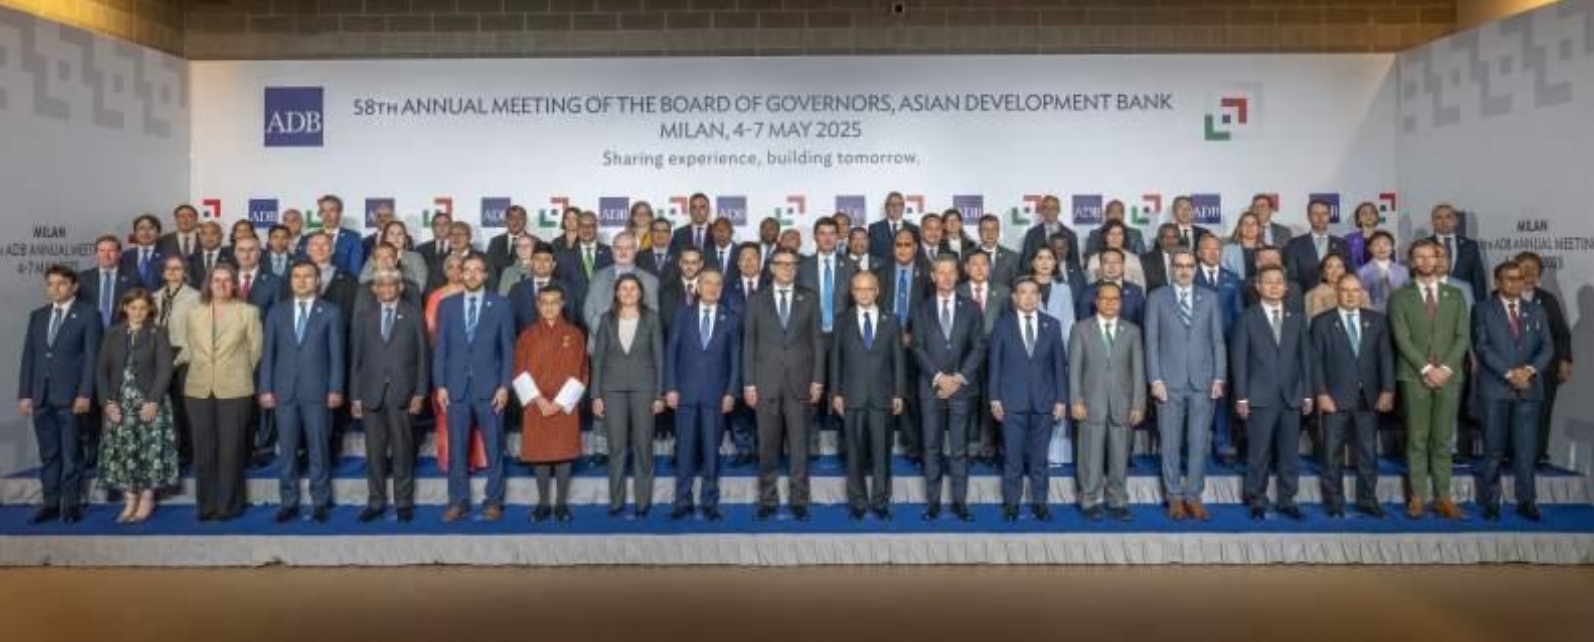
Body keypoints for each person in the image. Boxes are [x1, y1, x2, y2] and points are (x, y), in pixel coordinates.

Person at [1389, 239, 1471, 520]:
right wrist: (1426, 369)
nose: (1426, 261)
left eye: (1431, 256)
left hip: (1449, 377)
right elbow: (1402, 338)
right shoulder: (1400, 297)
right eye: (1419, 257)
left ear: (1439, 260)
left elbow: (1462, 336)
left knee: (1443, 439)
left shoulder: (1455, 295)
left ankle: (1443, 498)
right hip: (1415, 376)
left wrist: (1445, 368)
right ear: (1412, 262)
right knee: (1417, 439)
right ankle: (1417, 497)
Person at [258, 261, 344, 524]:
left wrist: (335, 388)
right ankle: (289, 502)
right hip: (283, 392)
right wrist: (265, 387)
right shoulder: (277, 312)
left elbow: (337, 355)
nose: (302, 280)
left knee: (319, 449)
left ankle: (320, 501)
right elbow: (268, 354)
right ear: (291, 281)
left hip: (317, 391)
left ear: (317, 281)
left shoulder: (330, 312)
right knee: (287, 452)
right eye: (297, 276)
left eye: (308, 276)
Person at [742, 248, 825, 521]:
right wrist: (749, 384)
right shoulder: (756, 300)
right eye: (782, 264)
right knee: (767, 446)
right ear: (771, 267)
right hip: (765, 383)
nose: (788, 268)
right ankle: (768, 500)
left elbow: (817, 341)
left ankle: (799, 500)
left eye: (793, 264)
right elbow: (749, 344)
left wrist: (817, 379)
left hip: (801, 383)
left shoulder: (809, 298)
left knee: (799, 447)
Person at [1145, 249, 1226, 521]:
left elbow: (1217, 340)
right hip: (1168, 383)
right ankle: (1174, 496)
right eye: (1179, 265)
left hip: (1203, 381)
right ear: (1172, 268)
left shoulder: (1210, 298)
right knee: (1169, 443)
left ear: (1195, 269)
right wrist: (1155, 379)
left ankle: (1193, 495)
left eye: (1189, 266)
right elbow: (1151, 342)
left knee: (1199, 442)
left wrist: (1219, 377)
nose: (1184, 270)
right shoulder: (1157, 298)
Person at [434, 255, 515, 522]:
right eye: (466, 270)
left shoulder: (501, 305)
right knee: (457, 449)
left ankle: (494, 500)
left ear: (486, 275)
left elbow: (508, 350)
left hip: (490, 389)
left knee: (494, 447)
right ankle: (457, 501)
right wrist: (441, 385)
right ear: (460, 273)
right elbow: (441, 349)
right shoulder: (447, 305)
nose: (471, 274)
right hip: (456, 388)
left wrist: (504, 386)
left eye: (477, 270)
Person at [17, 265, 101, 524]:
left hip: (71, 397)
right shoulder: (38, 316)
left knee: (71, 453)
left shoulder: (88, 314)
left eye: (61, 283)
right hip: (41, 396)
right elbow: (29, 357)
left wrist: (85, 393)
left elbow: (91, 358)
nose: (55, 288)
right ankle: (51, 502)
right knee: (49, 453)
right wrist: (25, 393)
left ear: (74, 286)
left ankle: (70, 504)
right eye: (51, 283)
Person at [1472, 260, 1553, 522]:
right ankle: (1491, 501)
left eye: (1519, 278)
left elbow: (1547, 347)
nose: (1516, 283)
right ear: (1497, 282)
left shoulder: (1536, 310)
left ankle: (1526, 501)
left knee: (1526, 450)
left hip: (1529, 388)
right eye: (1510, 278)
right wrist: (1509, 374)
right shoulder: (1482, 309)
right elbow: (1482, 347)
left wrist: (1528, 371)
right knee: (1493, 449)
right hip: (1495, 389)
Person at [1232, 265, 1314, 520]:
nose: (1275, 286)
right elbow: (1239, 360)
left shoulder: (1297, 318)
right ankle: (1256, 498)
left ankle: (1287, 499)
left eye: (1279, 282)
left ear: (1286, 287)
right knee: (1259, 452)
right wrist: (1242, 396)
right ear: (1258, 287)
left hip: (1291, 396)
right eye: (1268, 282)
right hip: (1259, 397)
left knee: (1289, 452)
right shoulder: (1247, 318)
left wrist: (1308, 394)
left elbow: (1305, 359)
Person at [1311, 273, 1395, 518]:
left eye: (1355, 290)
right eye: (1345, 290)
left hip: (1368, 397)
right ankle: (1334, 502)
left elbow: (1385, 358)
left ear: (1361, 293)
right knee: (1332, 453)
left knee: (1368, 452)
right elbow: (1315, 362)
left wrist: (1388, 390)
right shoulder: (1321, 322)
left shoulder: (1377, 320)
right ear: (1337, 292)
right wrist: (1321, 393)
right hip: (1334, 398)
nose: (1350, 295)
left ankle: (1367, 500)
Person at [183, 264, 263, 522]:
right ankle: (206, 506)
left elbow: (255, 351)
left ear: (234, 284)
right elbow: (190, 348)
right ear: (209, 284)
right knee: (204, 450)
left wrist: (236, 371)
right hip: (198, 388)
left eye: (227, 280)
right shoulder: (194, 313)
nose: (221, 284)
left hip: (235, 388)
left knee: (231, 450)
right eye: (216, 280)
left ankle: (229, 506)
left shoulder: (248, 312)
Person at [349, 268, 428, 524]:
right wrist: (355, 396)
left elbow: (423, 357)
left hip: (403, 393)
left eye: (391, 284)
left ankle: (403, 502)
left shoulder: (414, 314)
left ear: (400, 287)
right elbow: (357, 359)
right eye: (381, 285)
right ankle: (376, 501)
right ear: (374, 289)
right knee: (374, 453)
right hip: (371, 394)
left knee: (403, 451)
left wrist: (420, 392)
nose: (386, 288)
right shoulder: (364, 316)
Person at [988, 277, 1068, 522]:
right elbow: (995, 365)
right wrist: (994, 398)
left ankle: (1040, 504)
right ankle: (1012, 504)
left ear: (1039, 297)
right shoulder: (1002, 325)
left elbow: (1059, 366)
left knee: (1040, 459)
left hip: (1044, 403)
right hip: (1011, 402)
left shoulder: (1052, 325)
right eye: (1023, 292)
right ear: (1014, 297)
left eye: (1034, 292)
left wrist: (1061, 400)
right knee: (1012, 459)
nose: (1029, 297)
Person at [94, 288, 177, 524]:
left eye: (142, 308)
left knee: (149, 451)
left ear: (150, 309)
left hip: (149, 401)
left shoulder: (157, 333)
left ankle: (147, 499)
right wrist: (106, 402)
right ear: (125, 309)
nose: (138, 312)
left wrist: (153, 401)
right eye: (133, 308)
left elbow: (164, 370)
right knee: (125, 451)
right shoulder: (113, 333)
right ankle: (130, 500)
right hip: (119, 403)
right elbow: (101, 370)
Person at [911, 256, 984, 521]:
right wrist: (940, 377)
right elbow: (917, 348)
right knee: (931, 447)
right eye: (940, 273)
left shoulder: (972, 307)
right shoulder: (921, 309)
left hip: (961, 388)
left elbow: (979, 346)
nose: (946, 277)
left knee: (959, 448)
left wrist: (958, 378)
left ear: (957, 275)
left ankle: (959, 503)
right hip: (930, 387)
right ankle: (933, 504)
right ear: (933, 276)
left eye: (951, 272)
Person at [831, 270, 906, 521]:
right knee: (854, 453)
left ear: (877, 291)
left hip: (882, 397)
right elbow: (836, 359)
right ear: (852, 292)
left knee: (882, 453)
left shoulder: (891, 320)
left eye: (869, 288)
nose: (864, 293)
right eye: (858, 289)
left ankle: (880, 501)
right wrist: (836, 393)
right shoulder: (842, 320)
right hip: (852, 396)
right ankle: (858, 501)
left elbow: (898, 359)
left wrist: (898, 392)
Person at [664, 269, 739, 522]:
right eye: (707, 283)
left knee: (711, 453)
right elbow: (671, 353)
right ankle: (682, 501)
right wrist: (670, 387)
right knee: (684, 452)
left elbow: (736, 360)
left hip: (716, 396)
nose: (712, 288)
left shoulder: (730, 318)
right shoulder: (682, 314)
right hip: (684, 394)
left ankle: (709, 502)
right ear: (697, 286)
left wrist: (731, 392)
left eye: (717, 284)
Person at [1068, 282, 1145, 522]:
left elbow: (1138, 371)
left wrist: (1138, 404)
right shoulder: (1081, 329)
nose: (1110, 303)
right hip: (1090, 403)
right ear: (1097, 302)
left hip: (1123, 404)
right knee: (1090, 456)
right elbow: (1074, 370)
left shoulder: (1132, 331)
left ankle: (1117, 500)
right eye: (1105, 298)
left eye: (1115, 299)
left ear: (1121, 303)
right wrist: (1076, 400)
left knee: (1120, 456)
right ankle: (1089, 499)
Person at [590, 274, 665, 518]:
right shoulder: (606, 319)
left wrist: (659, 394)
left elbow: (659, 359)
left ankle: (643, 503)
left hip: (645, 389)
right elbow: (598, 359)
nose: (629, 292)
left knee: (643, 447)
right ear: (617, 293)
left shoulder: (652, 318)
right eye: (624, 288)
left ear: (640, 292)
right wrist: (595, 395)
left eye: (633, 288)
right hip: (612, 390)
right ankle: (617, 501)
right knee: (616, 448)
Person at [515, 284, 588, 523]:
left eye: (554, 302)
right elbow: (520, 371)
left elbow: (581, 372)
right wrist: (538, 400)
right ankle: (543, 503)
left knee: (563, 453)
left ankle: (561, 504)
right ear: (537, 305)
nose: (549, 307)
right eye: (544, 303)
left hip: (564, 403)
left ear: (562, 304)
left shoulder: (575, 335)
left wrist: (558, 403)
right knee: (540, 453)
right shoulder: (527, 335)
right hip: (536, 403)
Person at [425, 253, 487, 474]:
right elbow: (431, 333)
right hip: (449, 364)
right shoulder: (436, 297)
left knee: (476, 414)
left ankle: (477, 459)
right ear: (445, 271)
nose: (455, 270)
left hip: (477, 366)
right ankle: (450, 460)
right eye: (450, 266)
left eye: (459, 266)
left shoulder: (479, 295)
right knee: (447, 414)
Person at [1515, 252, 1572, 468]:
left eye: (1533, 268)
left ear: (1539, 273)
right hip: (1511, 368)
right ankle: (1510, 453)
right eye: (1524, 267)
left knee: (1542, 412)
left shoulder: (1547, 300)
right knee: (1510, 412)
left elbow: (1561, 334)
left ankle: (1538, 454)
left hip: (1544, 368)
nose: (1528, 272)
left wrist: (1565, 359)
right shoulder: (1499, 296)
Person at [1194, 236, 1244, 465]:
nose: (1214, 253)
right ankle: (1194, 446)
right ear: (1198, 252)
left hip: (1224, 347)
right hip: (1196, 347)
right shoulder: (1190, 275)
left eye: (1217, 249)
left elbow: (1238, 315)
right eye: (1208, 249)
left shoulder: (1231, 278)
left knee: (1222, 395)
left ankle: (1222, 444)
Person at [958, 251, 1010, 464]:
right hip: (965, 356)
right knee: (968, 401)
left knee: (991, 401)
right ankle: (970, 446)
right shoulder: (958, 291)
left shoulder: (1004, 292)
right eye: (974, 264)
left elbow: (1008, 324)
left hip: (994, 355)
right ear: (966, 268)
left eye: (984, 264)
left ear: (990, 268)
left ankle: (988, 447)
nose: (979, 269)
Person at [1428, 203, 1488, 302]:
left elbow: (1478, 279)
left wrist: (1480, 306)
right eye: (1439, 217)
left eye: (1448, 217)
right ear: (1433, 222)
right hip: (1432, 300)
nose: (1444, 221)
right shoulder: (1424, 245)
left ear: (1456, 221)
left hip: (1464, 299)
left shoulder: (1470, 246)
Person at [507, 243, 574, 332]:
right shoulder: (517, 289)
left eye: (546, 260)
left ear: (553, 265)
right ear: (531, 263)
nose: (541, 263)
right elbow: (510, 321)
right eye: (537, 259)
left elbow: (571, 320)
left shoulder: (565, 288)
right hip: (524, 338)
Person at [557, 211, 614, 315]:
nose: (586, 229)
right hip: (574, 315)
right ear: (577, 228)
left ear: (596, 228)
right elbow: (562, 288)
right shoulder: (564, 256)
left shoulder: (611, 253)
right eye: (582, 225)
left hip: (604, 313)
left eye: (590, 226)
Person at [297, 195, 366, 277]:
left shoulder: (353, 238)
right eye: (323, 211)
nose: (327, 215)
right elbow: (302, 267)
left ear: (339, 213)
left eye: (332, 210)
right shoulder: (309, 237)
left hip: (343, 283)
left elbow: (355, 270)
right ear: (320, 214)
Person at [80, 235, 136, 330]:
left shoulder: (132, 278)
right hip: (91, 330)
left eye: (111, 251)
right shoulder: (83, 278)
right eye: (102, 251)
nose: (106, 255)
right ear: (96, 254)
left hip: (121, 331)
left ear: (119, 254)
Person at [1078, 248, 1145, 327]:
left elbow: (1141, 323)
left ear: (1123, 266)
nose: (1111, 266)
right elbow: (1084, 324)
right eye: (1106, 262)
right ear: (1101, 266)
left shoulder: (1135, 291)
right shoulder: (1089, 291)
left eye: (1116, 262)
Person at [359, 220, 428, 289]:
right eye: (391, 234)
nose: (396, 237)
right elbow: (363, 280)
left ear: (405, 239)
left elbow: (420, 284)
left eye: (400, 234)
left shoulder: (415, 258)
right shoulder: (374, 256)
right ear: (385, 238)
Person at [1021, 195, 1080, 270]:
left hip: (1063, 275)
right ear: (1042, 210)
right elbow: (1025, 263)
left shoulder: (1070, 235)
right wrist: (1041, 270)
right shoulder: (1031, 234)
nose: (1050, 211)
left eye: (1053, 208)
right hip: (1038, 275)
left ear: (1059, 210)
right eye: (1046, 208)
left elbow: (1075, 263)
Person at [1357, 230, 1409, 312]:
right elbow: (1361, 299)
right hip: (1374, 314)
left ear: (1392, 248)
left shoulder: (1402, 270)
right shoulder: (1362, 272)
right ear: (1370, 248)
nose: (1382, 248)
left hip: (1399, 313)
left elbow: (1407, 295)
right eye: (1377, 244)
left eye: (1386, 244)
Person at [659, 246, 706, 338]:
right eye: (686, 262)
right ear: (680, 263)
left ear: (701, 264)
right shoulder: (666, 290)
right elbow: (665, 322)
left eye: (694, 263)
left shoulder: (709, 289)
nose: (689, 267)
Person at [1304, 254, 1369, 319]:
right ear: (1323, 273)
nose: (1335, 271)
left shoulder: (1362, 294)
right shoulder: (1313, 295)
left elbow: (1369, 318)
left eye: (1339, 266)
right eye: (1329, 267)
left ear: (1345, 270)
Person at [1086, 220, 1147, 288]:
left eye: (1120, 234)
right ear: (1105, 236)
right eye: (1112, 234)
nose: (1115, 237)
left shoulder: (1134, 259)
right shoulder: (1094, 259)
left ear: (1124, 237)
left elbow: (1141, 285)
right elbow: (1091, 285)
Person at [486, 204, 533, 285]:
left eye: (520, 218)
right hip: (500, 289)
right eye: (511, 218)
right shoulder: (495, 242)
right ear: (506, 220)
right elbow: (490, 269)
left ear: (525, 220)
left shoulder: (535, 241)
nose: (516, 221)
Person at [867, 191, 918, 261]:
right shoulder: (874, 228)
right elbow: (870, 253)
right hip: (880, 267)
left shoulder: (914, 229)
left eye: (899, 205)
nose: (895, 207)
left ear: (903, 207)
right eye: (892, 204)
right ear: (886, 207)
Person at [120, 214, 167, 289]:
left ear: (158, 233)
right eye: (141, 228)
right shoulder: (125, 256)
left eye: (151, 228)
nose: (146, 232)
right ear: (135, 233)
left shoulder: (168, 254)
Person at [975, 213, 1020, 289]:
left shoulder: (1012, 257)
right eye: (985, 229)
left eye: (994, 229)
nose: (990, 233)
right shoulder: (969, 256)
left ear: (999, 232)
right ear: (979, 232)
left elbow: (1016, 285)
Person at [185, 221, 234, 289]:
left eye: (213, 233)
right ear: (200, 236)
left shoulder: (232, 257)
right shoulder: (191, 259)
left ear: (221, 236)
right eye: (204, 234)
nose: (209, 237)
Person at [1221, 212, 1266, 280]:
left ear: (1259, 228)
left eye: (1253, 224)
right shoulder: (1228, 250)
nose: (1249, 227)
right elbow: (1223, 274)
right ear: (1240, 228)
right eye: (1246, 224)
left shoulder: (1266, 250)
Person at [1141, 223, 1182, 292]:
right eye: (1166, 237)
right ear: (1159, 240)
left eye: (1174, 237)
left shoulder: (1187, 258)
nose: (1170, 241)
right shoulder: (1146, 260)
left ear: (1179, 239)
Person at [1342, 202, 1382, 268]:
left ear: (1376, 217)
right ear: (1358, 219)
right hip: (1355, 274)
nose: (1368, 216)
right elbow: (1344, 263)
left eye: (1372, 212)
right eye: (1364, 213)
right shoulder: (1348, 239)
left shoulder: (1385, 239)